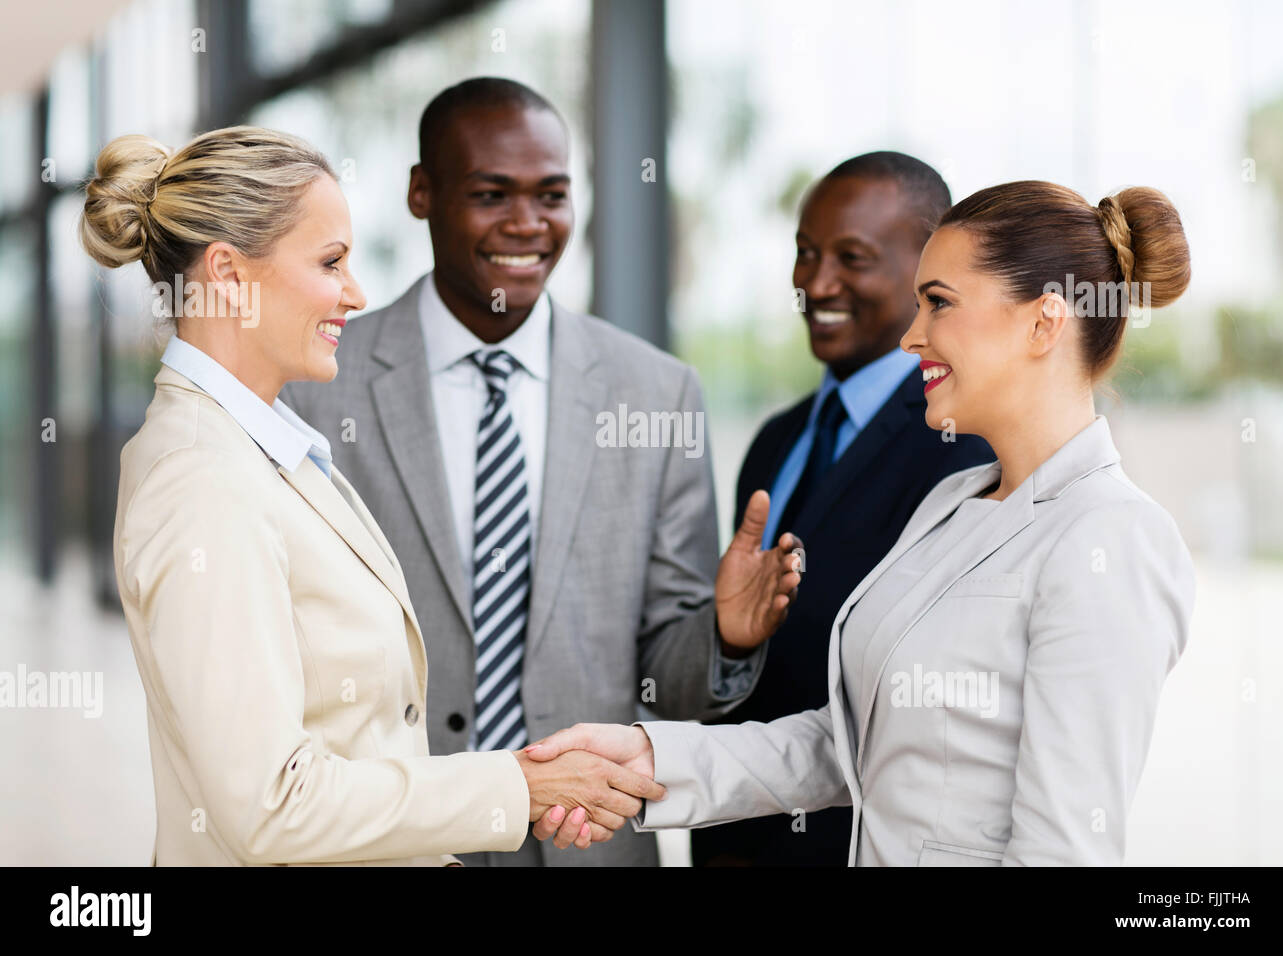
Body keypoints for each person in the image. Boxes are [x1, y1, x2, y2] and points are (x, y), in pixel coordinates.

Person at [528, 180, 1198, 866]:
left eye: (938, 304)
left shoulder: (1111, 538)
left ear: (1044, 322)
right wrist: (644, 757)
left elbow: (1060, 852)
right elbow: (845, 745)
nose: (912, 338)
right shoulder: (954, 503)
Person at [85, 125, 665, 866]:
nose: (355, 294)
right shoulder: (201, 479)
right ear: (227, 273)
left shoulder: (260, 447)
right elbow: (271, 807)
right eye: (330, 263)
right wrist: (518, 788)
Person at [279, 77, 802, 867]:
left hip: (587, 844)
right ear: (422, 192)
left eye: (552, 194)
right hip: (390, 841)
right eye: (492, 193)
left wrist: (723, 634)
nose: (528, 224)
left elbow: (668, 682)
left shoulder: (655, 392)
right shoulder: (316, 384)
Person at [692, 152, 996, 866]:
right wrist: (729, 641)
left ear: (931, 270)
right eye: (805, 253)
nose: (816, 282)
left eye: (851, 258)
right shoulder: (777, 439)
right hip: (735, 838)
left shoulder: (964, 446)